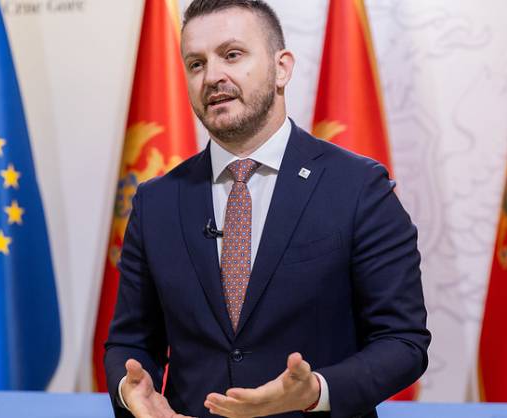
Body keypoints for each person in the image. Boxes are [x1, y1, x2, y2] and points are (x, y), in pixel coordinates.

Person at [104, 1, 430, 417]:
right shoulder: (156, 202)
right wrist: (131, 391)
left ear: (282, 68)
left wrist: (316, 390)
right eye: (196, 63)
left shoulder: (360, 187)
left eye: (232, 54)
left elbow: (402, 341)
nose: (212, 76)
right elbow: (130, 342)